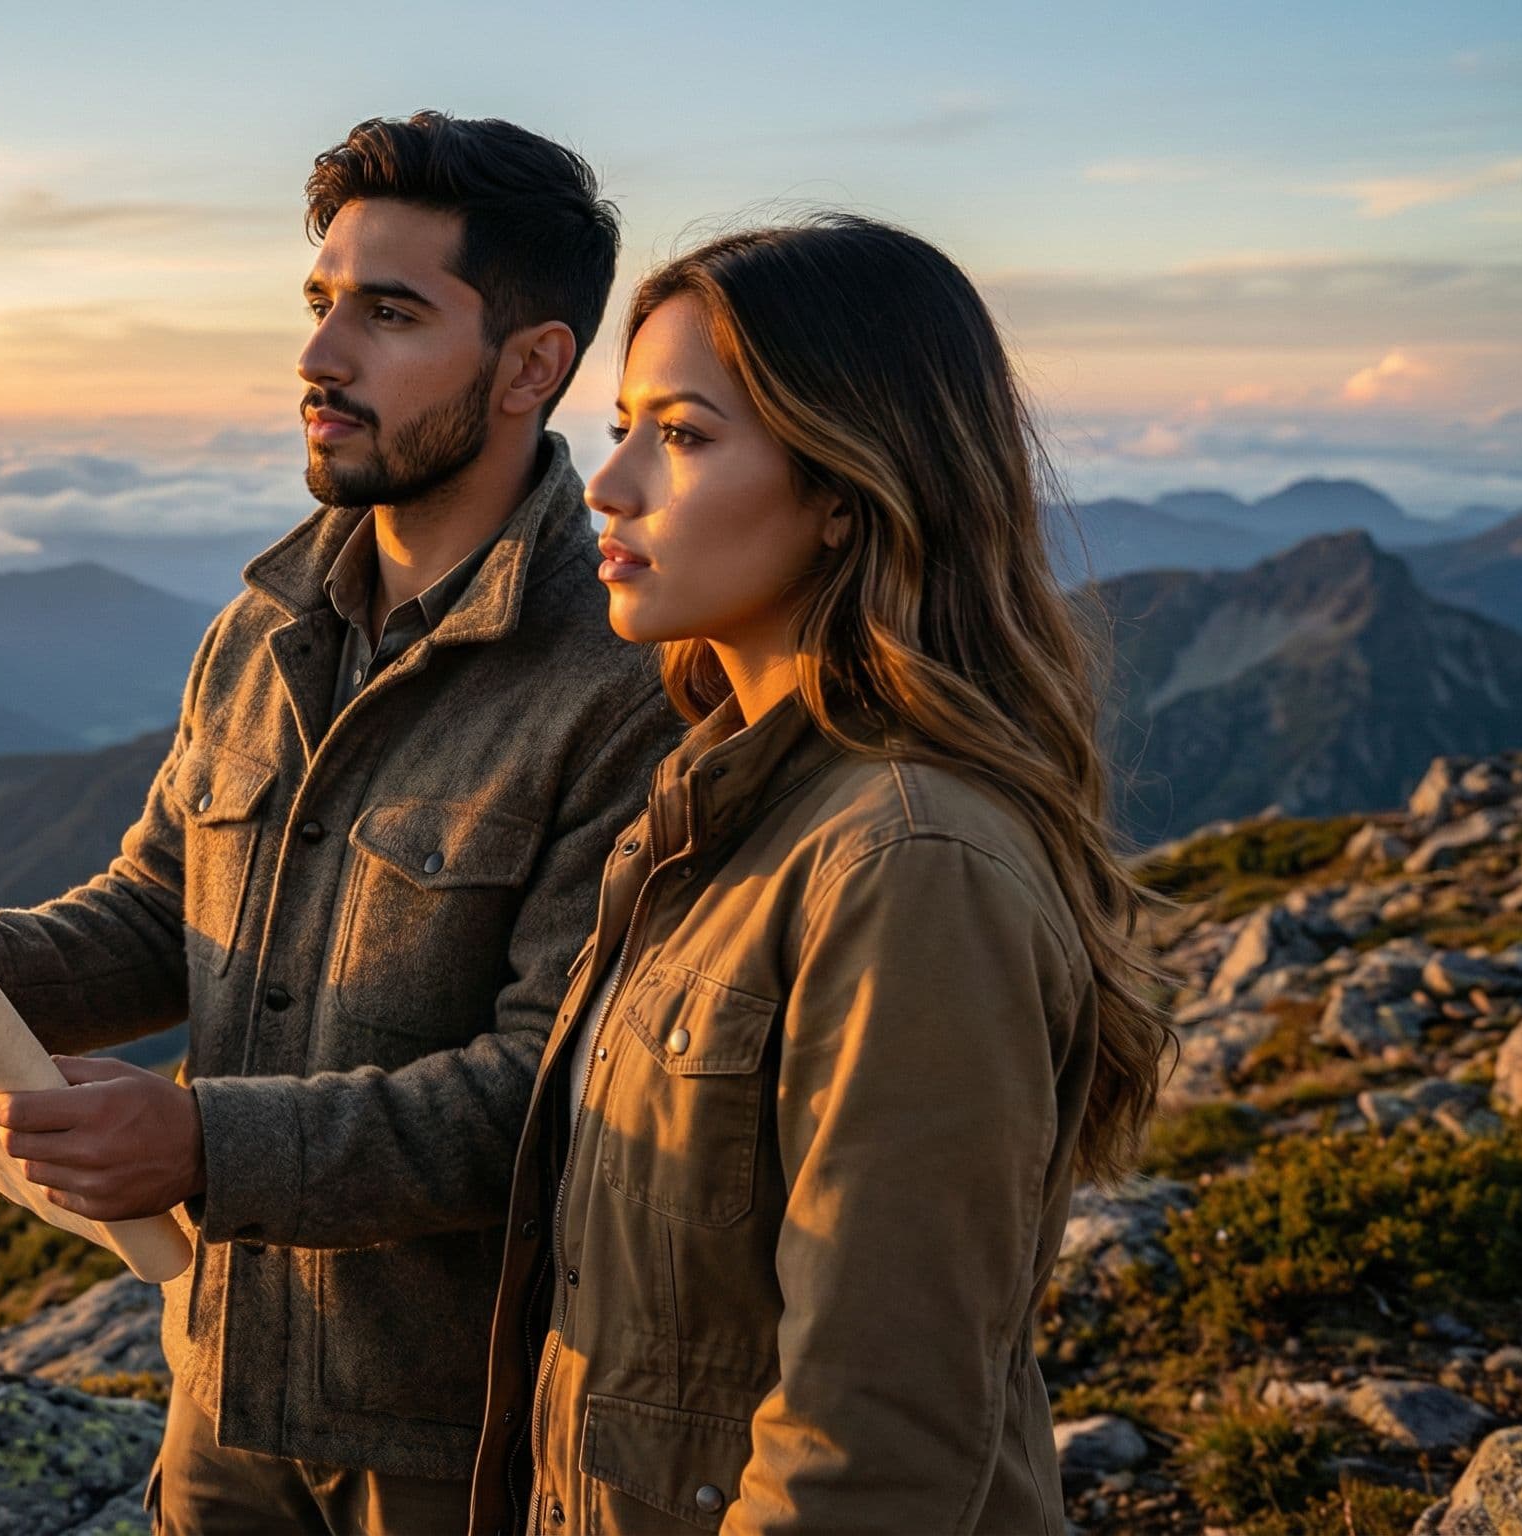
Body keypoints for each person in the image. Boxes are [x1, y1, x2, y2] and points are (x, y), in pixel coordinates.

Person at [0, 111, 681, 1533]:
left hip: (458, 1445)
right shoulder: (262, 632)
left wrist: (202, 1149)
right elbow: (157, 913)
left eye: (388, 314)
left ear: (532, 366)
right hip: (217, 1399)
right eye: (320, 305)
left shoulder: (624, 682)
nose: (319, 358)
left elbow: (553, 1096)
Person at [465, 214, 1175, 1535]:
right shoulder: (714, 816)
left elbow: (872, 1450)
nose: (606, 486)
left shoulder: (909, 862)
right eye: (620, 426)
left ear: (848, 486)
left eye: (680, 437)